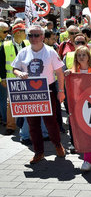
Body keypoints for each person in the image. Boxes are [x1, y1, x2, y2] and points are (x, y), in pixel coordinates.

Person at [11, 25, 66, 164]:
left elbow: (60, 73)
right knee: (33, 124)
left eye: (36, 35)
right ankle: (39, 152)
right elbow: (15, 68)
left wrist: (61, 91)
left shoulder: (50, 52)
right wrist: (20, 73)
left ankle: (57, 145)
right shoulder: (23, 52)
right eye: (31, 35)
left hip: (48, 89)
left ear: (42, 37)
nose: (33, 38)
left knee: (51, 122)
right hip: (30, 91)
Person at [64, 46, 91, 171]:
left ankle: (88, 157)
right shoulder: (73, 72)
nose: (81, 57)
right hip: (79, 105)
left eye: (83, 55)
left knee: (90, 132)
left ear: (88, 57)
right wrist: (68, 75)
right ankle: (88, 157)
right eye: (78, 55)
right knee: (84, 132)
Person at [0, 23, 30, 135]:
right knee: (10, 103)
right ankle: (10, 126)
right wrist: (3, 78)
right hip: (11, 79)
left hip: (25, 78)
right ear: (17, 33)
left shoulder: (27, 44)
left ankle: (24, 124)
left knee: (25, 101)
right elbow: (1, 63)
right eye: (24, 32)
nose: (25, 34)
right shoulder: (5, 45)